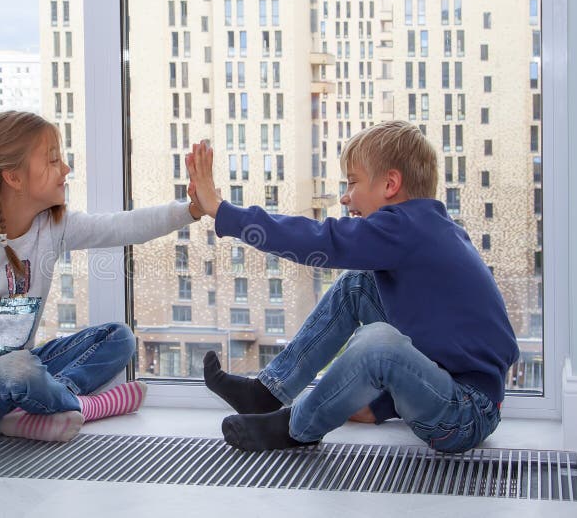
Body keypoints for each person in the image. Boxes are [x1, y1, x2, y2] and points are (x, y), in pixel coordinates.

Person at [185, 120, 519, 452]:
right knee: (358, 284)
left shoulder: (406, 228)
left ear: (390, 184)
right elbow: (443, 342)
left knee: (378, 342)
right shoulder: (429, 228)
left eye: (353, 182)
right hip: (453, 396)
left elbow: (321, 240)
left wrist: (222, 211)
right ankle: (267, 393)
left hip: (466, 414)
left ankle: (296, 428)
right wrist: (379, 408)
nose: (345, 198)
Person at [0, 110, 202, 442]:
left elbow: (121, 226)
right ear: (14, 178)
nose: (65, 169)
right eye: (53, 161)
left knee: (118, 337)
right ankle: (85, 406)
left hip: (20, 367)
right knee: (19, 370)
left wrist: (192, 210)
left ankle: (30, 410)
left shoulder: (54, 227)